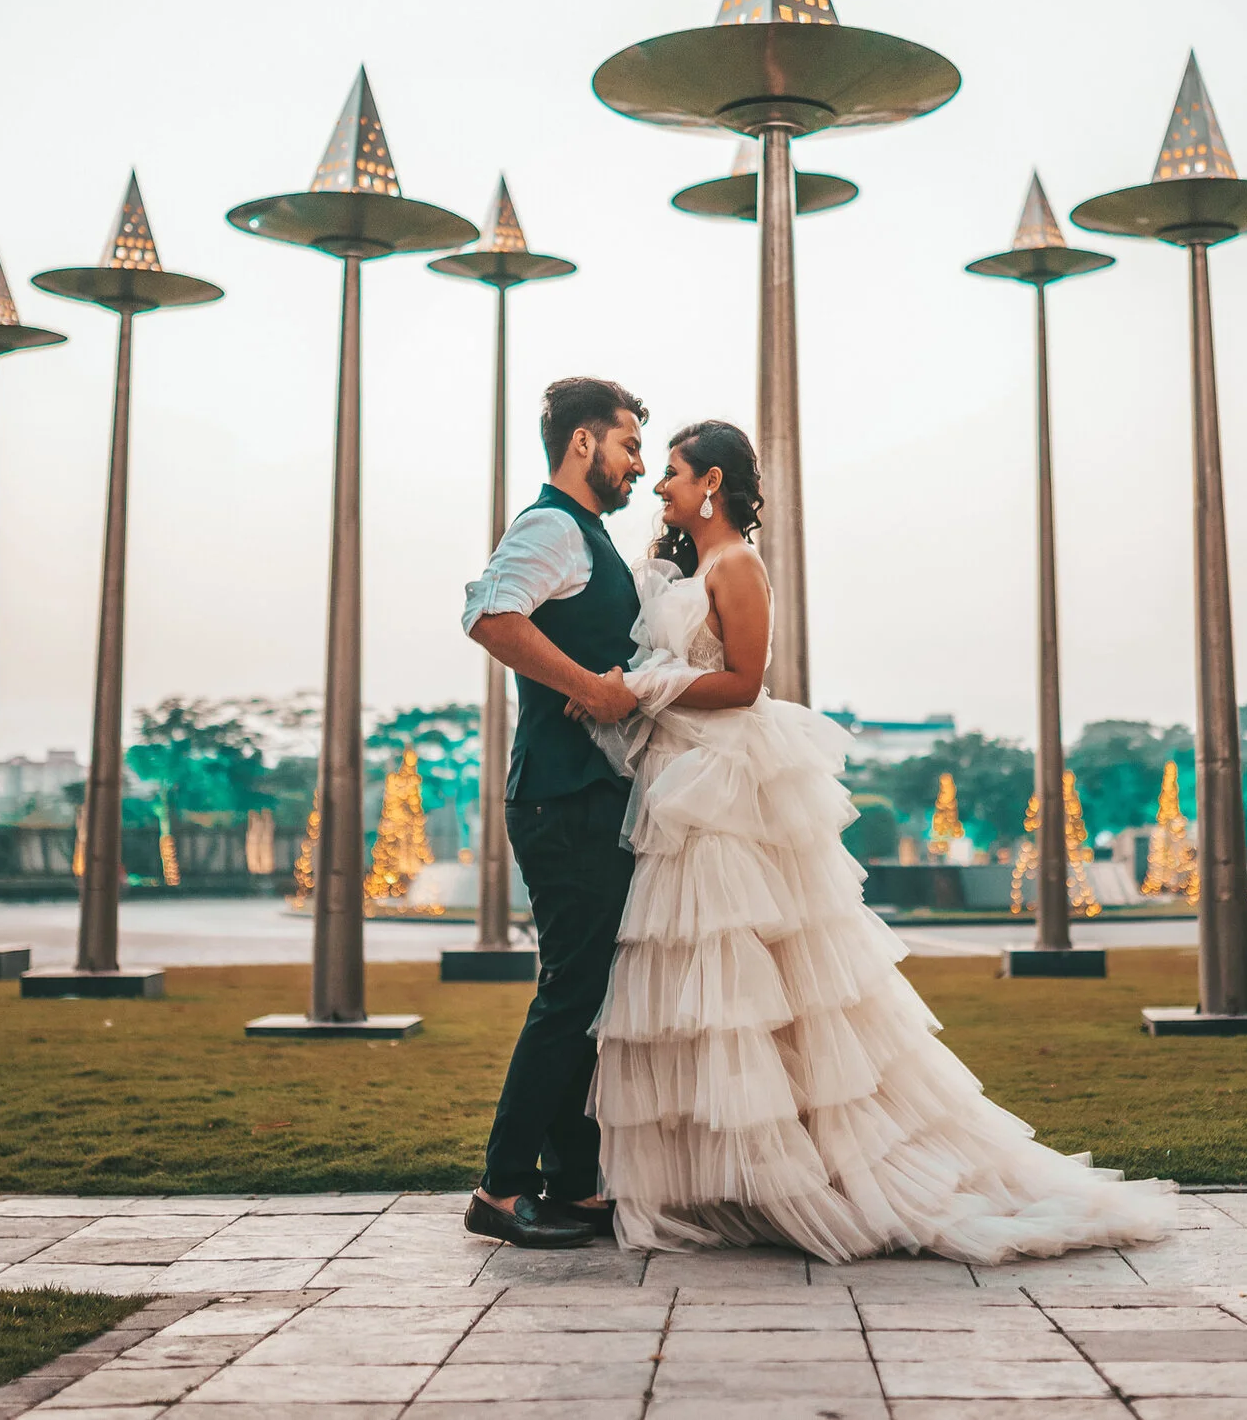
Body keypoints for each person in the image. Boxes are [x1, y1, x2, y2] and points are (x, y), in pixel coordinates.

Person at [581, 421, 1175, 1263]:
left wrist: (643, 686)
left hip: (723, 794)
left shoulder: (738, 567)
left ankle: (797, 1176)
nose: (659, 486)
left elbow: (745, 681)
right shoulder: (683, 567)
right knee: (695, 988)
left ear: (711, 480)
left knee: (748, 983)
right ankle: (719, 1180)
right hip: (680, 790)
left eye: (671, 472)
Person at [459, 378, 648, 1250]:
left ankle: (572, 1182)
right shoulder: (552, 527)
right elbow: (490, 616)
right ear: (582, 443)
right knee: (571, 988)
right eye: (628, 445)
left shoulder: (591, 538)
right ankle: (500, 1190)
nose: (638, 463)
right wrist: (589, 690)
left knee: (589, 990)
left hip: (587, 795)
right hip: (557, 795)